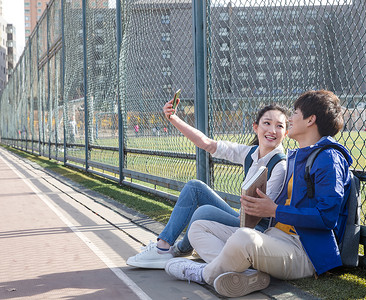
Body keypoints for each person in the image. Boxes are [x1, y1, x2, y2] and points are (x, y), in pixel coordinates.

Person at [164, 90, 353, 298]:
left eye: (295, 113)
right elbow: (208, 144)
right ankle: (247, 274)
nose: (290, 119)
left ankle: (204, 273)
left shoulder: (329, 159)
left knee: (243, 237)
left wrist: (275, 210)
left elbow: (327, 217)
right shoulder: (299, 156)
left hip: (305, 252)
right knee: (199, 227)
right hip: (276, 237)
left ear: (311, 120)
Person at [126, 95, 289, 269]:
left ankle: (173, 250)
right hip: (240, 217)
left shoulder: (280, 165)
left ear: (286, 133)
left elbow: (260, 212)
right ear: (256, 127)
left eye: (279, 126)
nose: (272, 130)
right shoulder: (250, 153)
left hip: (255, 228)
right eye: (267, 123)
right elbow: (207, 144)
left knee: (204, 212)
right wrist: (173, 119)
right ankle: (164, 247)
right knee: (194, 187)